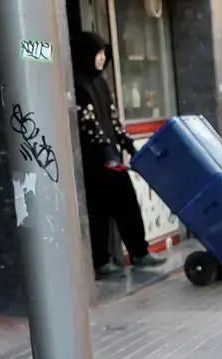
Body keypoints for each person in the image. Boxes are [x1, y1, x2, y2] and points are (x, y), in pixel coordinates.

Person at [72, 31, 162, 278]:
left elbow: (111, 119)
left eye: (103, 54)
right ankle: (102, 261)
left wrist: (128, 145)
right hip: (93, 161)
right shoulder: (77, 85)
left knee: (126, 203)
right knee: (98, 212)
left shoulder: (100, 83)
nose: (102, 59)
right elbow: (88, 123)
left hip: (110, 158)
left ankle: (139, 252)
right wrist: (106, 150)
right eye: (97, 54)